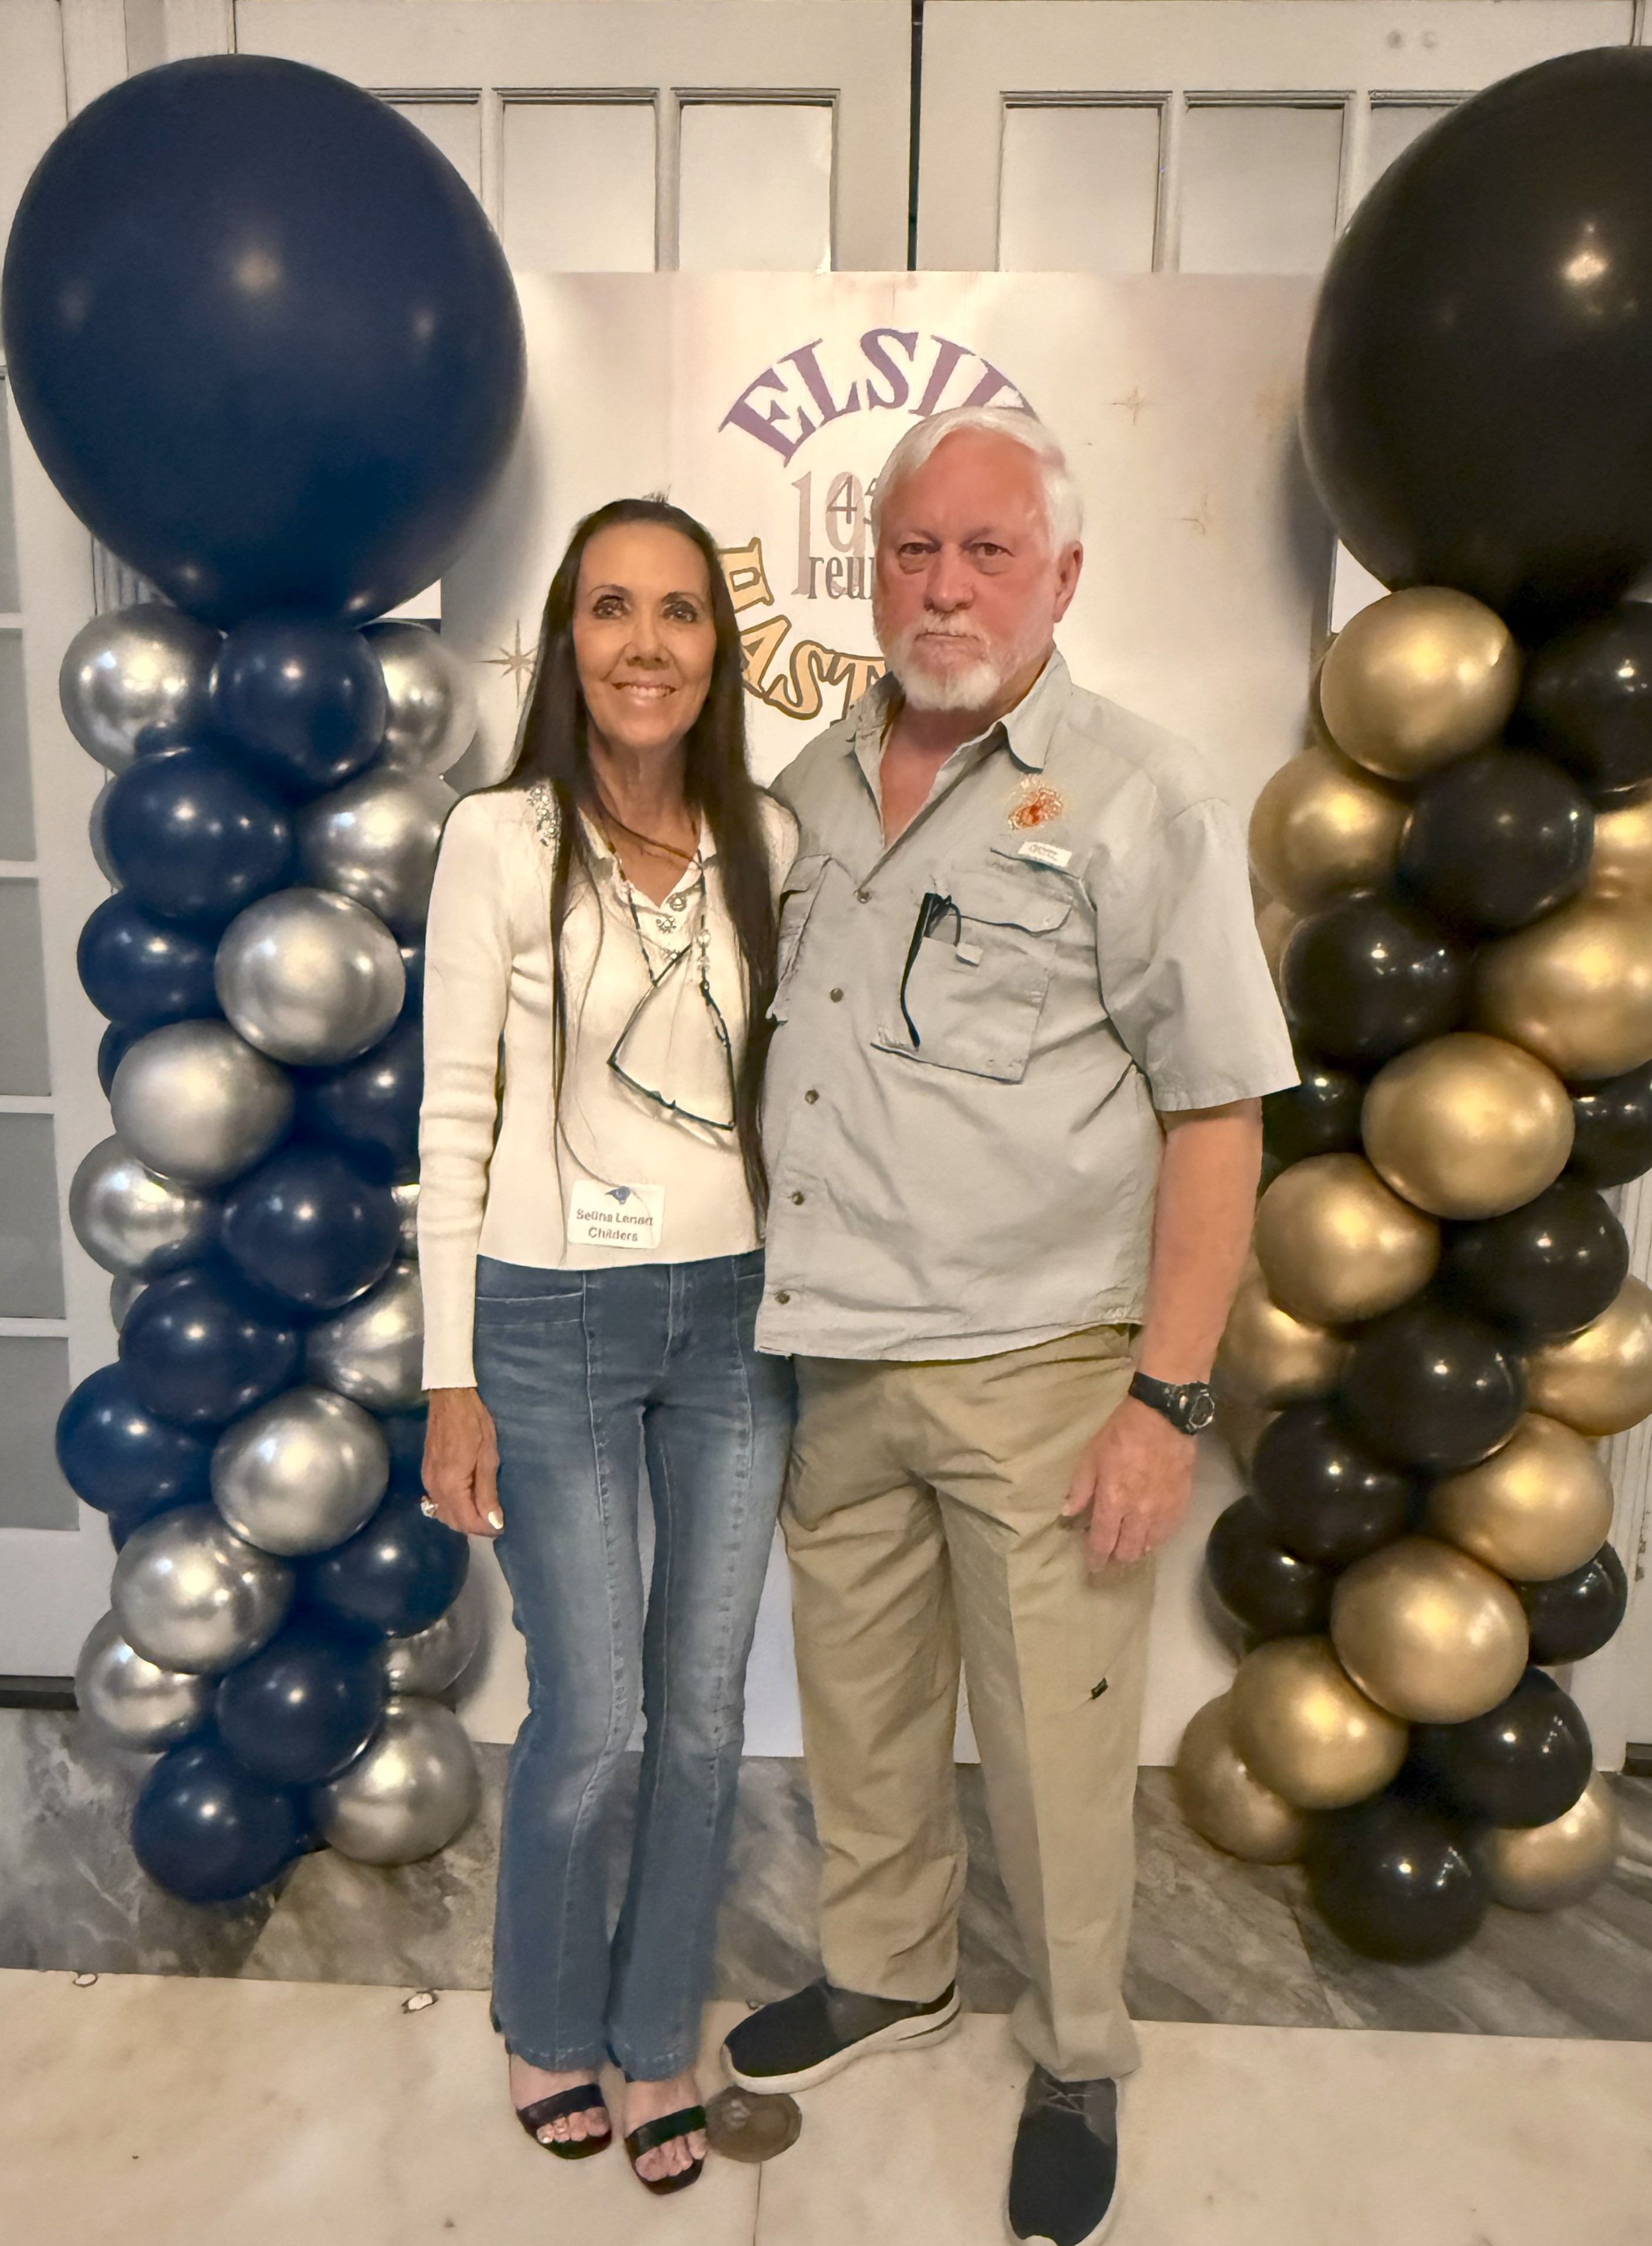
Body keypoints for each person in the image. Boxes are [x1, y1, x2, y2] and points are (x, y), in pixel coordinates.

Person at [722, 407, 1296, 2246]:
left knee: (1055, 1742)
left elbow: (1218, 1110)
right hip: (835, 1347)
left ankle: (1075, 2047)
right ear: (871, 570)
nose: (947, 586)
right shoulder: (809, 783)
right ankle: (891, 1970)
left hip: (1044, 1361)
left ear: (1064, 575)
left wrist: (1165, 1399)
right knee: (864, 1705)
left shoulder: (1140, 793)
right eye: (915, 550)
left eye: (988, 550)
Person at [417, 497, 795, 2194]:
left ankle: (655, 2037)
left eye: (682, 612)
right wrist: (449, 1375)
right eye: (612, 608)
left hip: (739, 1321)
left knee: (704, 1714)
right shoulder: (500, 838)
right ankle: (546, 2014)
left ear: (719, 648)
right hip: (549, 1316)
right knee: (598, 1712)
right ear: (568, 639)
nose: (647, 643)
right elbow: (454, 1118)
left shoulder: (766, 836)